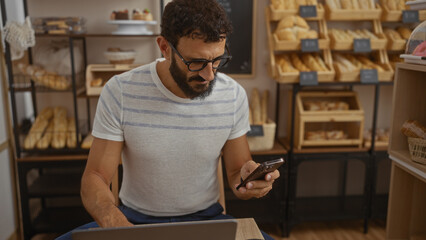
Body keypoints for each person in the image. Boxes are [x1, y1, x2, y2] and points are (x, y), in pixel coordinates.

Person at [57, 0, 279, 239]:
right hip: (133, 220)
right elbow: (95, 178)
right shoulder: (120, 91)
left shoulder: (232, 94)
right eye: (196, 62)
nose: (209, 75)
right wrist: (116, 225)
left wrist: (251, 182)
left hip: (206, 220)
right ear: (164, 47)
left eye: (217, 60)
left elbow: (238, 173)